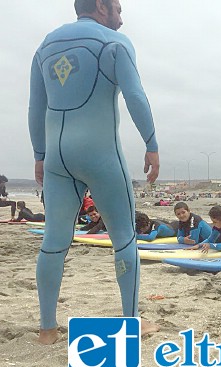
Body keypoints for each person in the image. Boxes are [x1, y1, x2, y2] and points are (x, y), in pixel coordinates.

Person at [28, 0, 160, 344]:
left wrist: (39, 155)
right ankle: (131, 322)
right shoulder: (115, 42)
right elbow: (135, 94)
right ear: (101, 6)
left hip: (57, 158)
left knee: (54, 241)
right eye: (117, 6)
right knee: (124, 237)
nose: (121, 14)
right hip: (101, 155)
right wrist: (151, 142)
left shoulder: (44, 46)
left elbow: (35, 107)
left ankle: (47, 329)